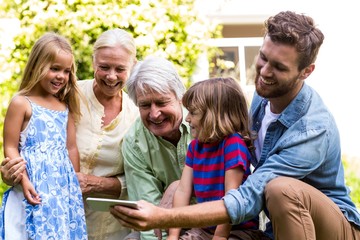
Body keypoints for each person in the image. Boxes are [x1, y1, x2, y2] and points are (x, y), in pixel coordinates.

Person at [110, 11, 360, 240]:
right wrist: (177, 187)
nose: (265, 72)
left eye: (279, 67)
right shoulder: (264, 96)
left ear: (306, 71)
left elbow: (248, 197)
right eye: (263, 57)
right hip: (278, 228)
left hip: (332, 228)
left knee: (280, 189)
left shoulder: (313, 128)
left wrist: (162, 217)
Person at [0, 28, 139, 240]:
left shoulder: (138, 116)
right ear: (93, 62)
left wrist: (80, 184)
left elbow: (142, 177)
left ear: (133, 67)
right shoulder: (71, 95)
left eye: (120, 69)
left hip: (102, 225)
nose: (111, 76)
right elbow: (12, 147)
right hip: (44, 203)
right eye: (104, 67)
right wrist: (16, 175)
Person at [0, 32, 87, 239]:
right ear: (37, 65)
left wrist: (73, 183)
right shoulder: (22, 103)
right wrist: (23, 180)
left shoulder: (64, 107)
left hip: (59, 191)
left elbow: (71, 147)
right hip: (32, 186)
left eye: (66, 71)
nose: (61, 76)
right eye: (54, 69)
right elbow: (11, 147)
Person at [167, 77, 258, 240]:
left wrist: (220, 237)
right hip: (205, 228)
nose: (187, 118)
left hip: (237, 230)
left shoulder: (233, 144)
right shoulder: (195, 147)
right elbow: (183, 190)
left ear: (214, 116)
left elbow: (232, 198)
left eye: (193, 112)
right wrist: (173, 235)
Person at [122, 55, 193, 239]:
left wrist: (177, 187)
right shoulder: (134, 142)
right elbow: (148, 215)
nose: (154, 114)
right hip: (167, 227)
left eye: (161, 102)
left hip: (211, 222)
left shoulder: (205, 124)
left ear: (180, 98)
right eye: (145, 105)